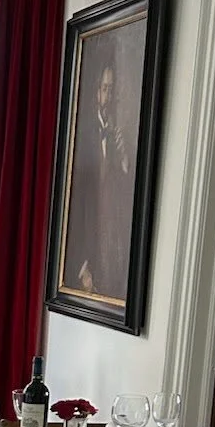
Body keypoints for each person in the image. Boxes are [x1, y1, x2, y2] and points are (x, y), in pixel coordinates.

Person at [61, 53, 135, 305]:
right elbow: (77, 200)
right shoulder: (83, 133)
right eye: (104, 88)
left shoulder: (115, 133)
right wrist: (82, 265)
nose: (108, 96)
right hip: (88, 235)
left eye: (112, 90)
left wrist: (124, 160)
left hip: (110, 230)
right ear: (96, 91)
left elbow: (124, 184)